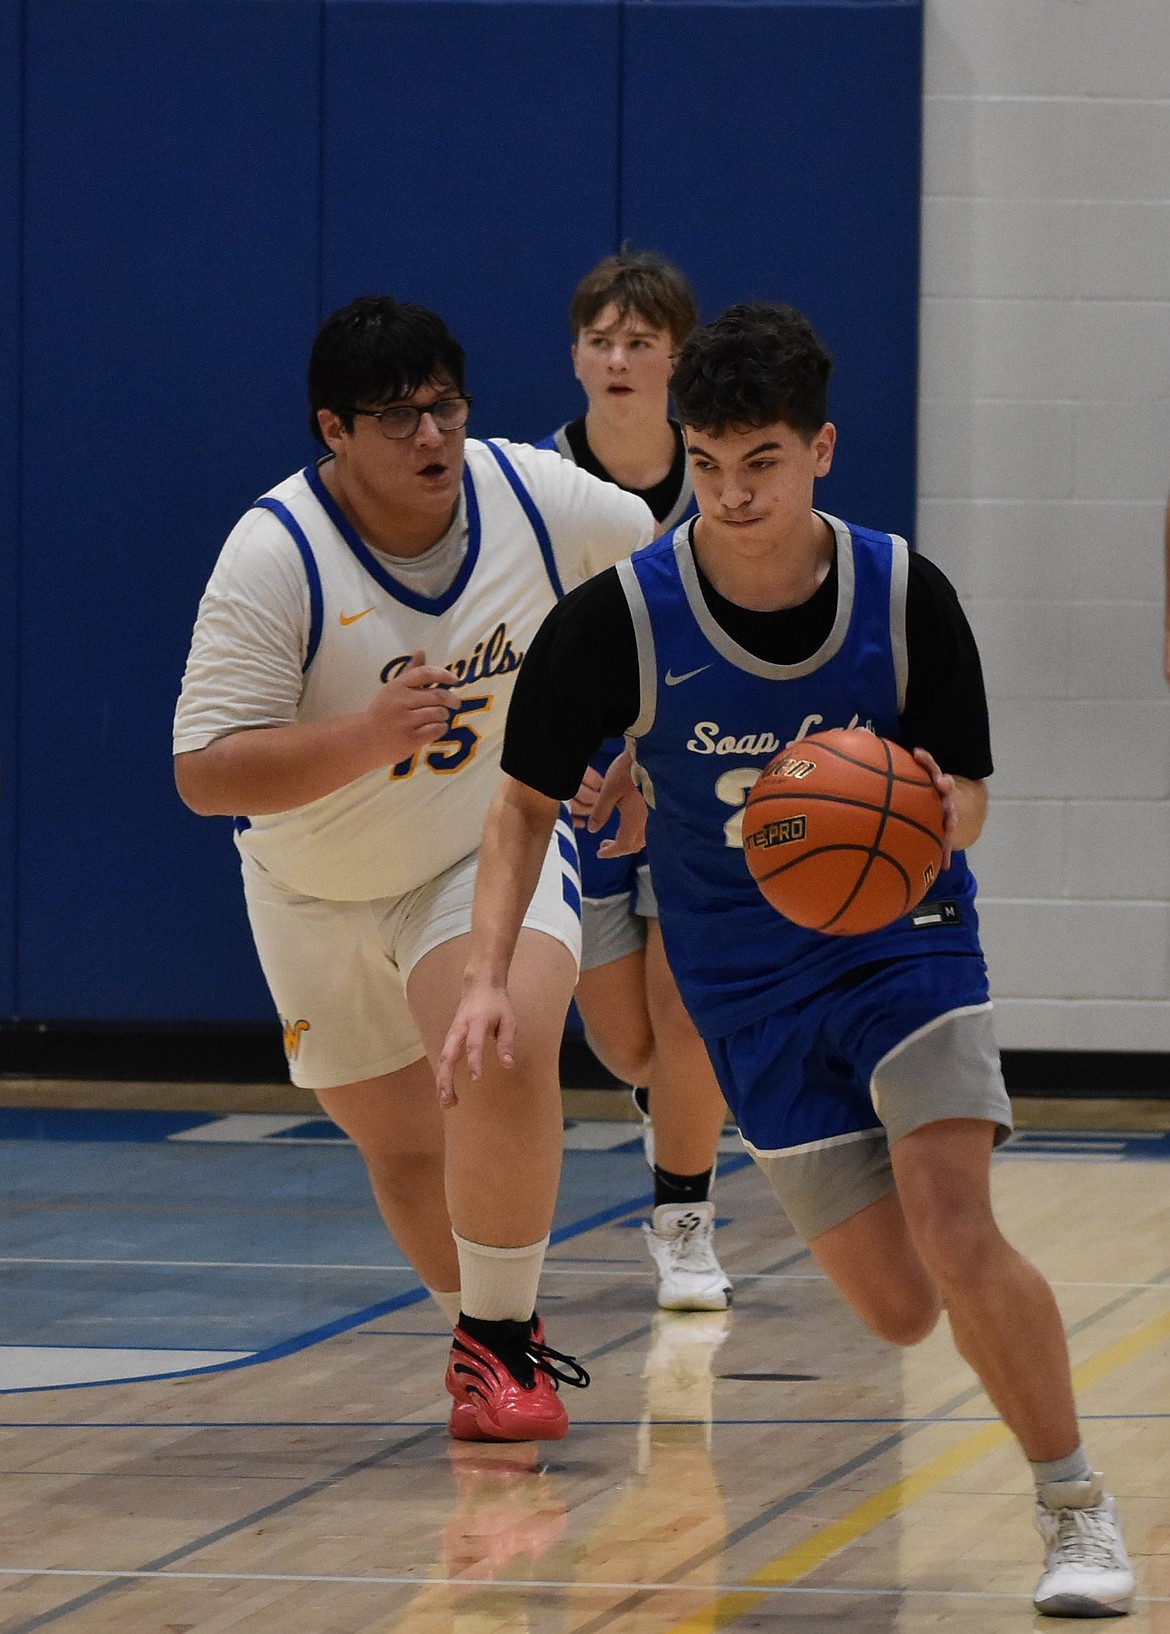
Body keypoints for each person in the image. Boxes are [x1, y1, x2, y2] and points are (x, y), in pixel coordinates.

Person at [439, 303, 1136, 1615]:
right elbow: (517, 805)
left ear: (818, 448)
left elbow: (969, 795)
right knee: (894, 1309)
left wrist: (912, 811)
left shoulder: (900, 592)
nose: (729, 492)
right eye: (706, 465)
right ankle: (938, 1274)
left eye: (758, 461)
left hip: (903, 944)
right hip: (745, 987)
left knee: (955, 1223)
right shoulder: (623, 620)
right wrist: (484, 976)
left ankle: (1074, 1507)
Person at [173, 295, 655, 1441]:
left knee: (499, 1043)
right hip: (310, 885)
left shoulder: (534, 495)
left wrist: (637, 750)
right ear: (333, 430)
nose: (433, 436)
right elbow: (203, 772)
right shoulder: (274, 552)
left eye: (446, 406)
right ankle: (491, 1335)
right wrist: (363, 736)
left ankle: (497, 1349)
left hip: (479, 849)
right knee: (398, 1142)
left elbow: (677, 584)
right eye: (399, 418)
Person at [537, 249, 731, 1311]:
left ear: (677, 360)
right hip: (570, 783)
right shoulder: (536, 481)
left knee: (687, 1007)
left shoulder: (717, 480)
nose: (618, 358)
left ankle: (685, 1225)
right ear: (574, 357)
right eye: (601, 339)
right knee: (628, 1043)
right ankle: (679, 1116)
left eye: (640, 342)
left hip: (680, 773)